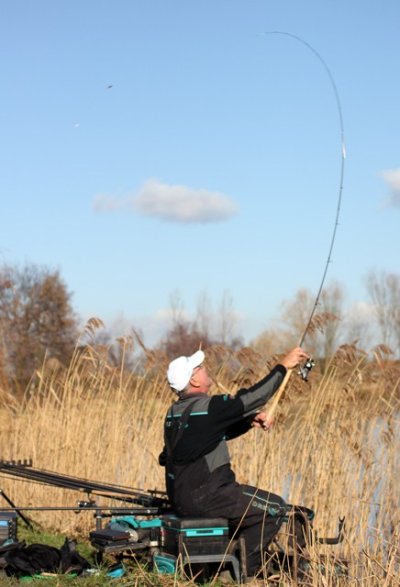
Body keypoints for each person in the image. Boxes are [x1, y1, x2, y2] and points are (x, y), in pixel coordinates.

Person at [159, 346, 310, 578]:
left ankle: (230, 562)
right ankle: (244, 575)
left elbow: (206, 438)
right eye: (200, 367)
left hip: (182, 500)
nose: (205, 368)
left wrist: (248, 422)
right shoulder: (209, 407)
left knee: (259, 509)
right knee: (276, 508)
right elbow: (253, 397)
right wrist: (283, 366)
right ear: (194, 380)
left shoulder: (174, 413)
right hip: (210, 497)